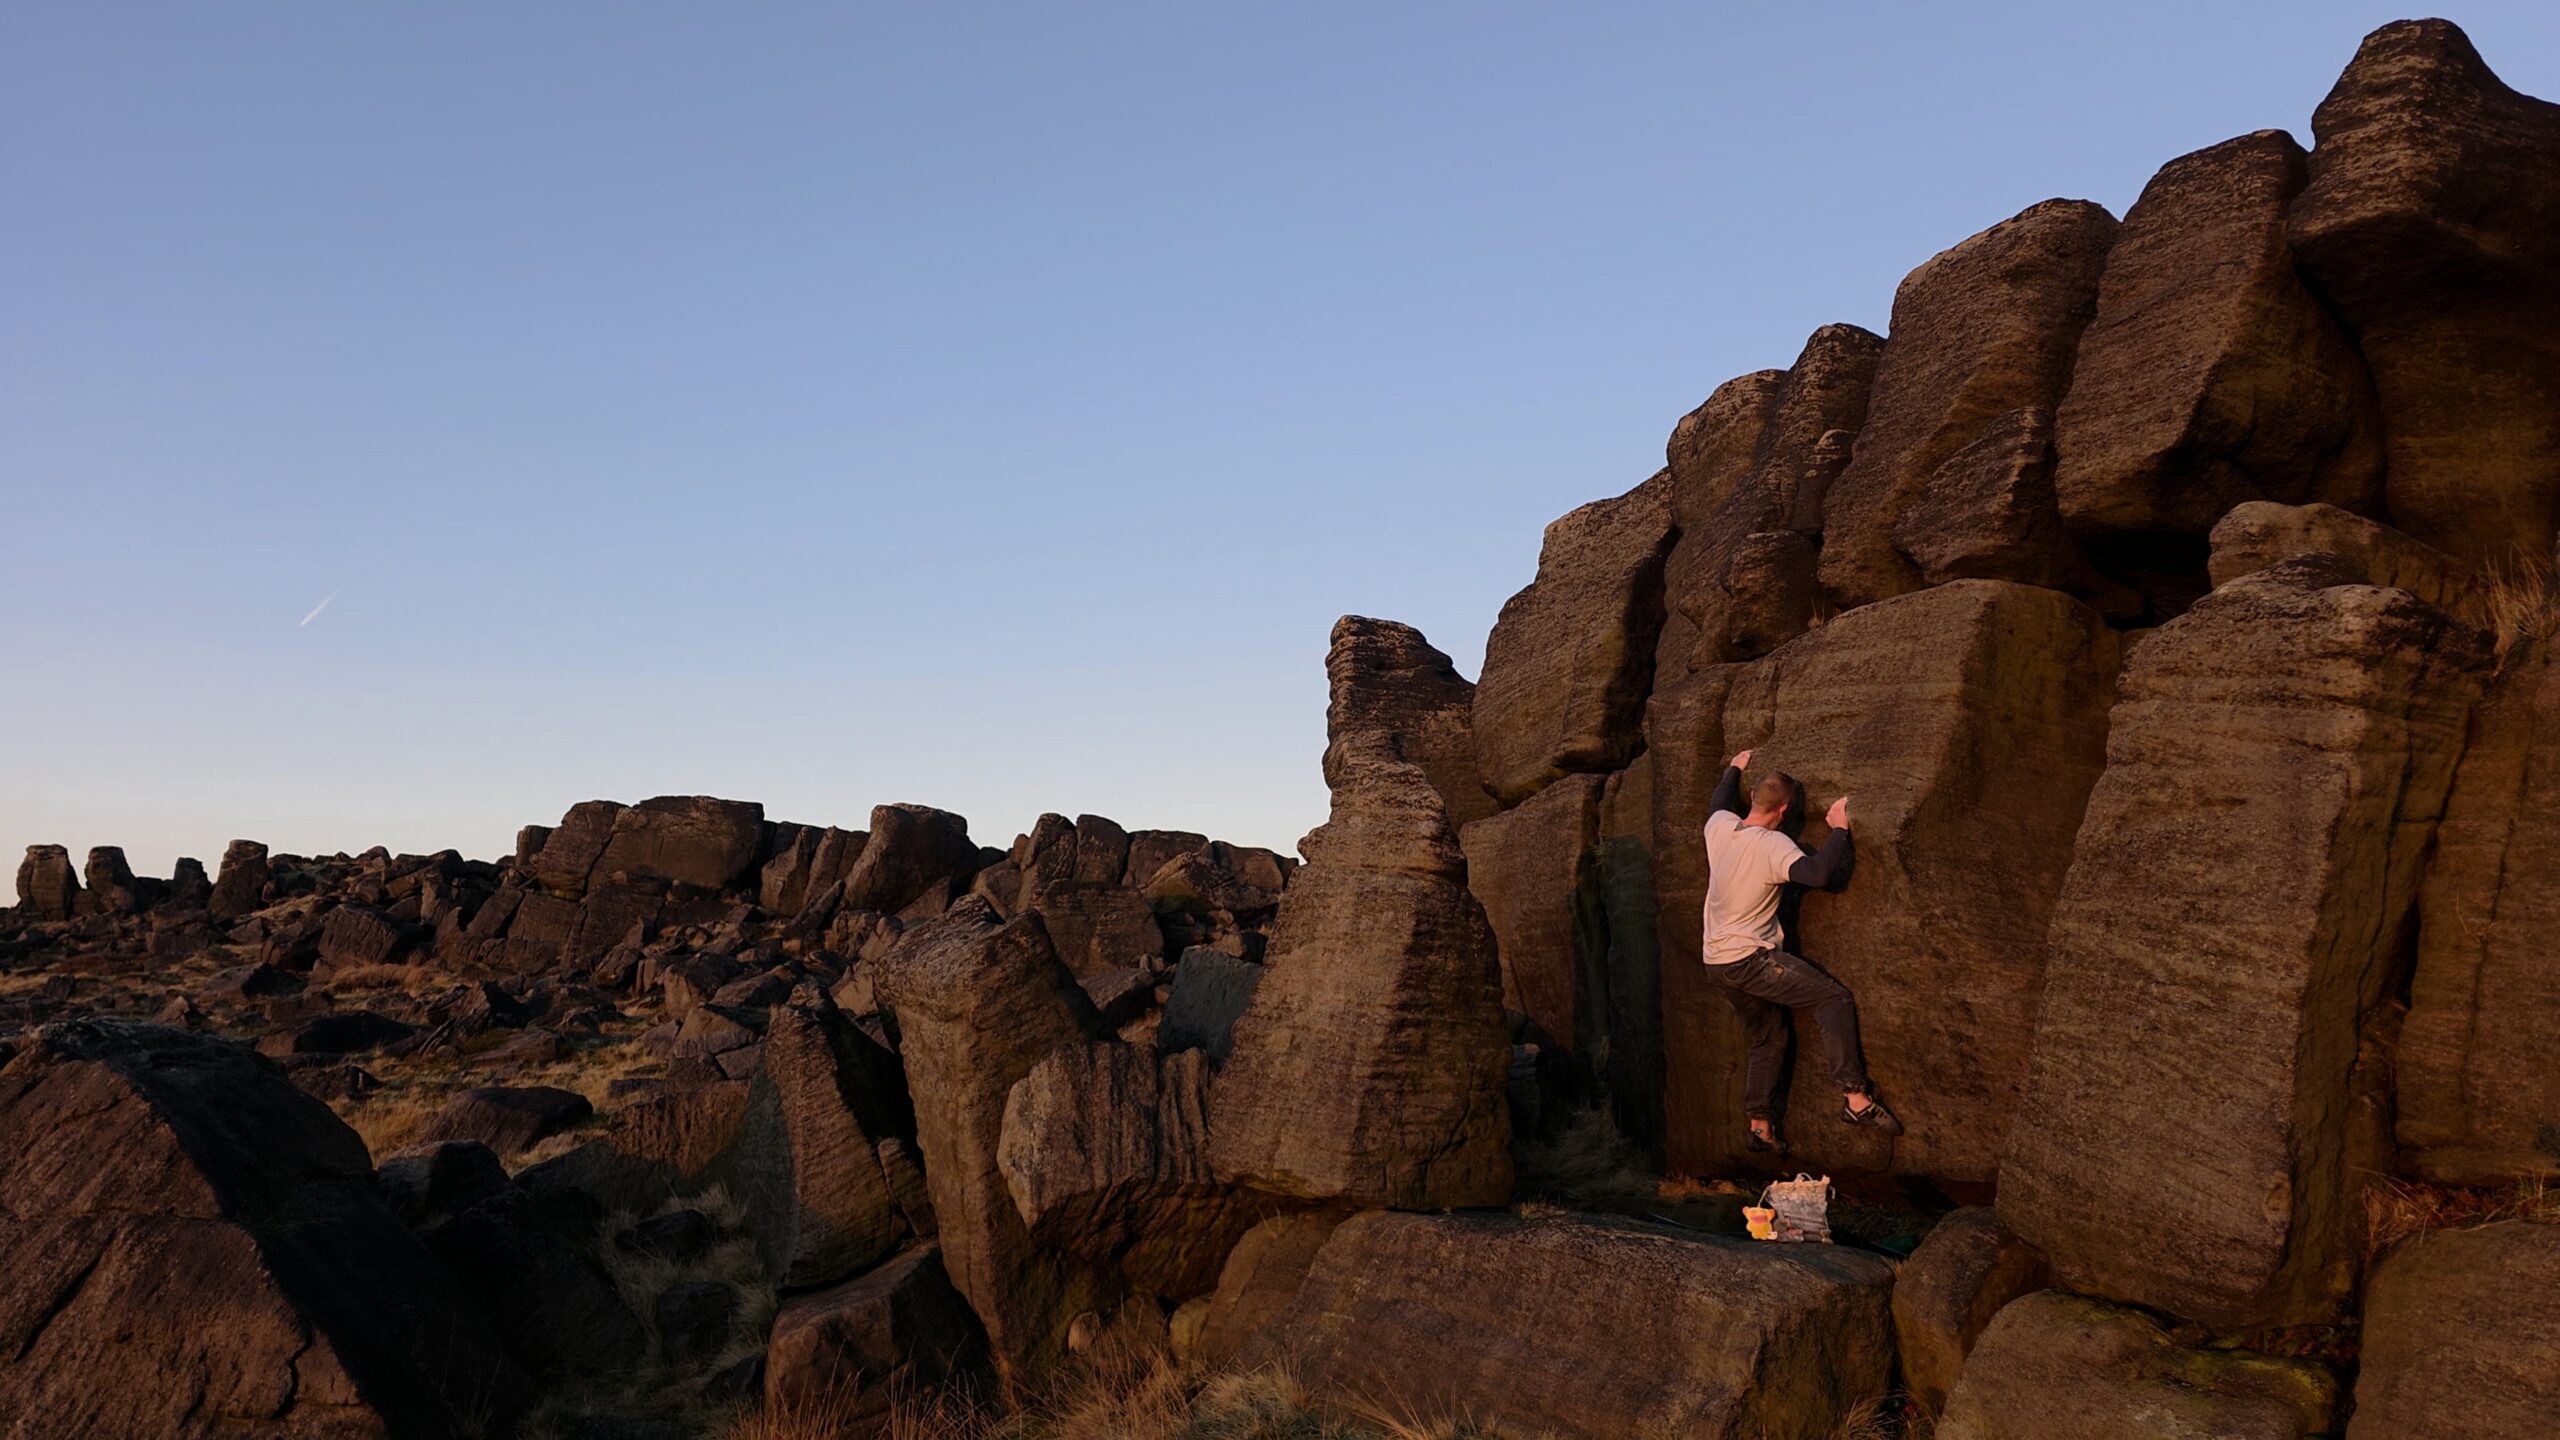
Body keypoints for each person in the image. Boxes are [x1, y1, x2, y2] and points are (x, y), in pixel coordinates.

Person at [1702, 749, 1900, 1152]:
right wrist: (1839, 830)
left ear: (1754, 796)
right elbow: (1818, 873)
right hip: (1749, 961)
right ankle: (1855, 1098)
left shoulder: (1720, 827)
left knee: (1769, 1037)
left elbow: (1718, 802)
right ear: (1786, 809)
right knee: (1832, 998)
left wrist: (1734, 768)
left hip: (1715, 961)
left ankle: (1760, 1126)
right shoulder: (1772, 846)